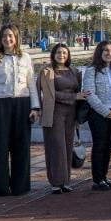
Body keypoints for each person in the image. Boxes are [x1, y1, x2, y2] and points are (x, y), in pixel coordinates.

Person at [0, 26, 40, 196]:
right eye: (5, 36)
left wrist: (35, 107)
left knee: (21, 146)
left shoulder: (26, 57)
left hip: (22, 104)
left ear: (16, 38)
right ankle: (0, 187)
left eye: (11, 36)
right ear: (0, 39)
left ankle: (20, 186)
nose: (8, 39)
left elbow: (31, 83)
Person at [37, 43, 81, 194]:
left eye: (64, 53)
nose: (61, 55)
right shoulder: (46, 71)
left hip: (71, 113)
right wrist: (74, 96)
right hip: (54, 112)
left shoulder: (74, 71)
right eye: (58, 52)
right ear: (53, 54)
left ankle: (66, 181)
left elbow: (79, 91)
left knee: (68, 146)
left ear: (68, 55)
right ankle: (56, 182)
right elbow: (50, 95)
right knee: (56, 147)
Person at [82, 39, 111, 191]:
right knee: (99, 145)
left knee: (109, 146)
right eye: (106, 50)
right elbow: (89, 94)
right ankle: (97, 179)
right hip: (98, 114)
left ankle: (105, 176)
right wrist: (105, 112)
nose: (109, 53)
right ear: (100, 52)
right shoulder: (91, 70)